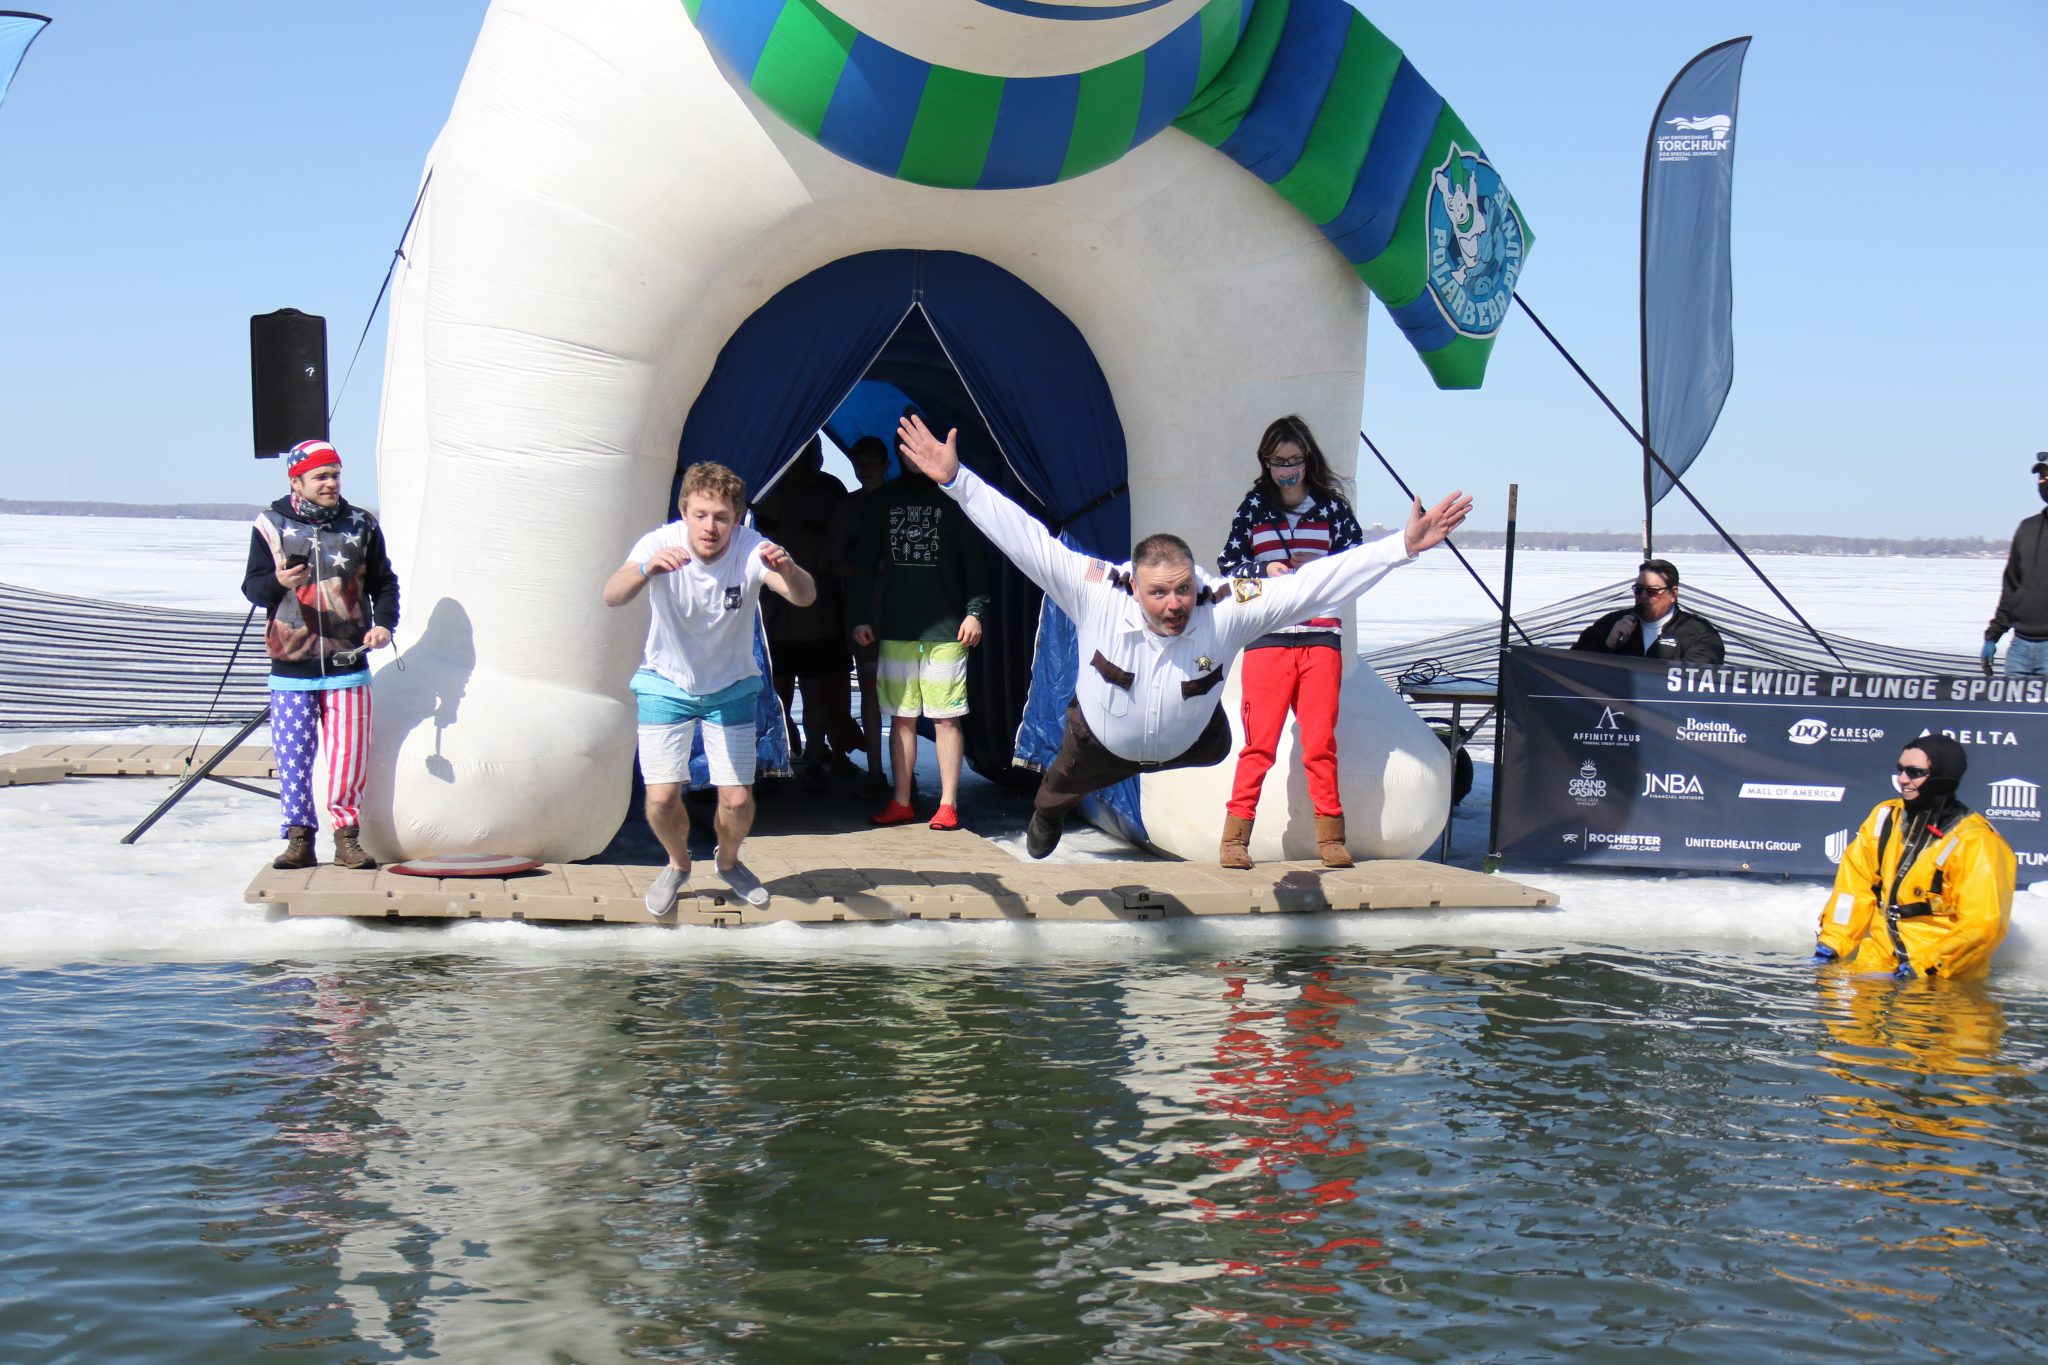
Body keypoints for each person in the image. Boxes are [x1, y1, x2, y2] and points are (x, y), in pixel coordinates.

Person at [895, 412, 1470, 860]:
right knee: (1056, 791)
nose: (1174, 606)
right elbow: (1024, 538)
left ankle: (1201, 742)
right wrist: (957, 481)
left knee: (1219, 738)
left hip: (1188, 740)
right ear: (1135, 586)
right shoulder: (1095, 589)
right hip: (1103, 740)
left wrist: (1402, 546)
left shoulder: (1224, 607)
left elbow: (1318, 582)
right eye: (1159, 595)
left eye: (1182, 592)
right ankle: (1046, 814)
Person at [603, 461, 818, 914]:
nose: (710, 527)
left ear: (737, 518)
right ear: (685, 511)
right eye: (700, 515)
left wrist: (790, 568)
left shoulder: (752, 548)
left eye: (721, 517)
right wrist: (645, 568)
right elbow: (612, 593)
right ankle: (679, 865)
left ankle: (729, 860)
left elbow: (804, 596)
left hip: (731, 686)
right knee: (661, 797)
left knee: (737, 801)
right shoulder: (660, 542)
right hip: (666, 682)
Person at [1216, 416, 1368, 870]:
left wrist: (1319, 569)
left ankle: (1331, 837)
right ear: (1266, 463)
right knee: (1258, 744)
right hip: (1268, 637)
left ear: (1308, 459)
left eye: (1294, 460)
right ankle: (1235, 839)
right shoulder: (1254, 508)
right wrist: (1266, 572)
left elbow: (1357, 564)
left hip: (1322, 636)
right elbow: (1229, 567)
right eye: (1278, 461)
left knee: (1319, 741)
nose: (1287, 468)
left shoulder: (1332, 508)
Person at [241, 439, 400, 871]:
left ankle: (347, 838)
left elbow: (384, 583)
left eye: (335, 475)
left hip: (349, 664)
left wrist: (383, 623)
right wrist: (277, 581)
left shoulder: (361, 524)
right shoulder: (270, 524)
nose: (331, 483)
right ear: (297, 481)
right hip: (291, 666)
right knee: (293, 758)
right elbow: (253, 589)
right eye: (321, 476)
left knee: (349, 757)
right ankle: (298, 839)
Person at [851, 433, 992, 831]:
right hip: (895, 628)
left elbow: (976, 561)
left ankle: (947, 804)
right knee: (901, 717)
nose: (916, 455)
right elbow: (863, 564)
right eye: (908, 447)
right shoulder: (881, 502)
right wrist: (858, 617)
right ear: (900, 453)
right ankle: (901, 801)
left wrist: (976, 611)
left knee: (947, 718)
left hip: (948, 629)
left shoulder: (955, 498)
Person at [1813, 734, 2015, 980]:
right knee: (1836, 1014)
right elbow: (1853, 888)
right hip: (1875, 966)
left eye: (1914, 772)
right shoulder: (1885, 817)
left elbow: (1983, 926)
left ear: (1942, 778)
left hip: (1939, 980)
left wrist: (1924, 968)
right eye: (1900, 770)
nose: (1902, 779)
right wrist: (1831, 943)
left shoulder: (1978, 842)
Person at [752, 437, 862, 783]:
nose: (811, 459)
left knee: (820, 687)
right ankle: (776, 757)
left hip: (821, 610)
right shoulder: (768, 490)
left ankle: (819, 756)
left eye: (813, 453)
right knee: (777, 688)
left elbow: (847, 542)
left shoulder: (830, 490)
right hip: (777, 614)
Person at [827, 435, 893, 796]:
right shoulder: (847, 509)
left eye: (871, 461)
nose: (864, 469)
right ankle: (876, 771)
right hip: (865, 612)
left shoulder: (903, 504)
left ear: (886, 464)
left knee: (903, 698)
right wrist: (867, 565)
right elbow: (831, 562)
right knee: (869, 692)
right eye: (858, 462)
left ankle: (902, 770)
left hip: (903, 614)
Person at [1571, 558, 1725, 665]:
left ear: (1673, 593)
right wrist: (1607, 645)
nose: (1643, 596)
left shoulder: (1698, 633)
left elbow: (1698, 677)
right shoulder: (1611, 623)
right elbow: (1573, 665)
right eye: (1638, 590)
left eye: (1652, 591)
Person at [1982, 453, 2048, 677]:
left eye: (2047, 476)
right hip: (2020, 647)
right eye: (2040, 477)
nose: (2042, 482)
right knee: (2012, 712)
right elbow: (2011, 588)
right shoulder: (2027, 528)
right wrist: (1993, 635)